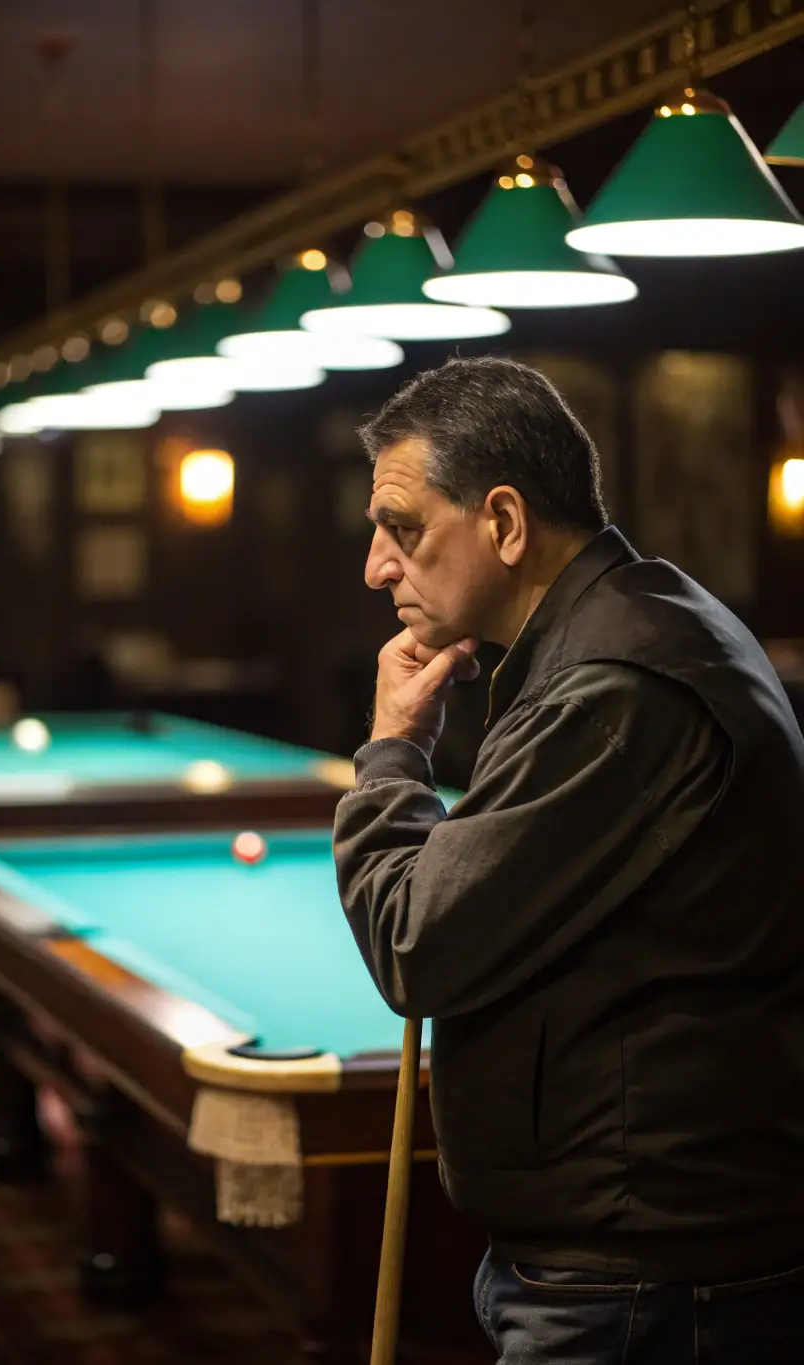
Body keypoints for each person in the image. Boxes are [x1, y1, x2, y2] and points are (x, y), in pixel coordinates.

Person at [333, 356, 804, 1364]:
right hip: (634, 1256)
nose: (376, 567)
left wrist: (390, 758)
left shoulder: (615, 688)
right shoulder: (631, 626)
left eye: (403, 530)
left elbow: (413, 944)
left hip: (643, 1281)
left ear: (503, 522)